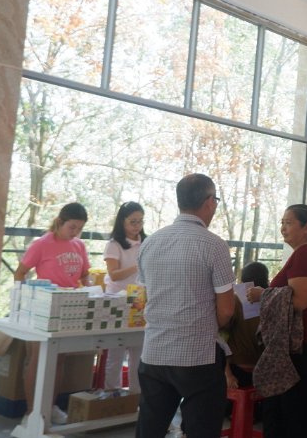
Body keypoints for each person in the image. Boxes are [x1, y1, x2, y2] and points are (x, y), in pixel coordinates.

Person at [135, 173, 235, 438]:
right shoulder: (214, 245)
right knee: (201, 429)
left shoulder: (150, 243)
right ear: (210, 201)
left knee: (150, 428)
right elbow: (226, 310)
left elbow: (143, 298)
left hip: (154, 352)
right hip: (198, 355)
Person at [247, 204, 307, 438]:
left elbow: (300, 301)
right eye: (282, 222)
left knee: (294, 412)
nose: (283, 228)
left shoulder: (304, 254)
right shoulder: (303, 253)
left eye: (289, 223)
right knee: (287, 410)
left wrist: (263, 294)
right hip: (298, 343)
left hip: (300, 343)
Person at [14, 202, 91, 425]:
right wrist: (24, 300)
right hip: (43, 306)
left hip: (69, 307)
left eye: (79, 228)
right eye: (72, 227)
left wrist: (90, 288)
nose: (75, 232)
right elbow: (20, 273)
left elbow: (84, 275)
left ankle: (50, 406)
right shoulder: (42, 244)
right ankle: (31, 411)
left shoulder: (79, 245)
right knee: (37, 360)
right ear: (60, 222)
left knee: (58, 360)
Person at [102, 201, 147, 393]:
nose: (137, 226)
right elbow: (114, 275)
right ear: (122, 221)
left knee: (138, 352)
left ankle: (135, 396)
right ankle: (112, 393)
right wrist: (137, 266)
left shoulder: (146, 242)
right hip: (117, 300)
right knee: (116, 352)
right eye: (133, 222)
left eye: (140, 221)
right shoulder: (114, 244)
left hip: (140, 300)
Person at [225, 262, 269, 389]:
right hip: (266, 370)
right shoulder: (273, 300)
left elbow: (221, 337)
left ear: (243, 280)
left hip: (238, 368)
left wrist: (227, 374)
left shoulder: (236, 300)